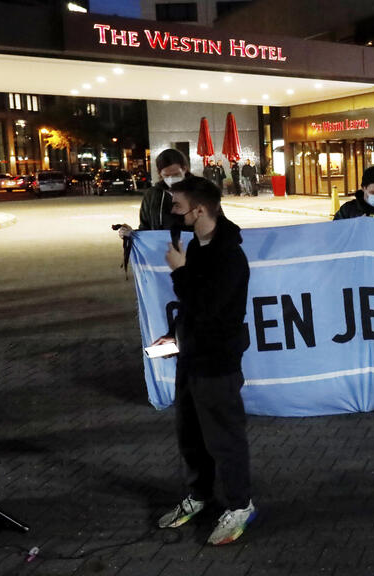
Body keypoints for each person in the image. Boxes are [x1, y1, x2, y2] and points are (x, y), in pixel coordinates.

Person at [152, 175, 255, 546]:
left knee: (224, 438)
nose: (174, 214)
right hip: (191, 357)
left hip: (217, 362)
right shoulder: (197, 245)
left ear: (199, 210)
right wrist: (175, 334)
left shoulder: (229, 255)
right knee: (190, 434)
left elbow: (209, 308)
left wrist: (178, 271)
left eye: (178, 207)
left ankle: (240, 506)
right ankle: (199, 496)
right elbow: (192, 308)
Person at [116, 149, 190, 239]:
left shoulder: (200, 191)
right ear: (160, 173)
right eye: (166, 176)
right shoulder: (152, 195)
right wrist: (132, 234)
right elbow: (145, 228)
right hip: (161, 250)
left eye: (176, 175)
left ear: (185, 169)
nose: (171, 179)